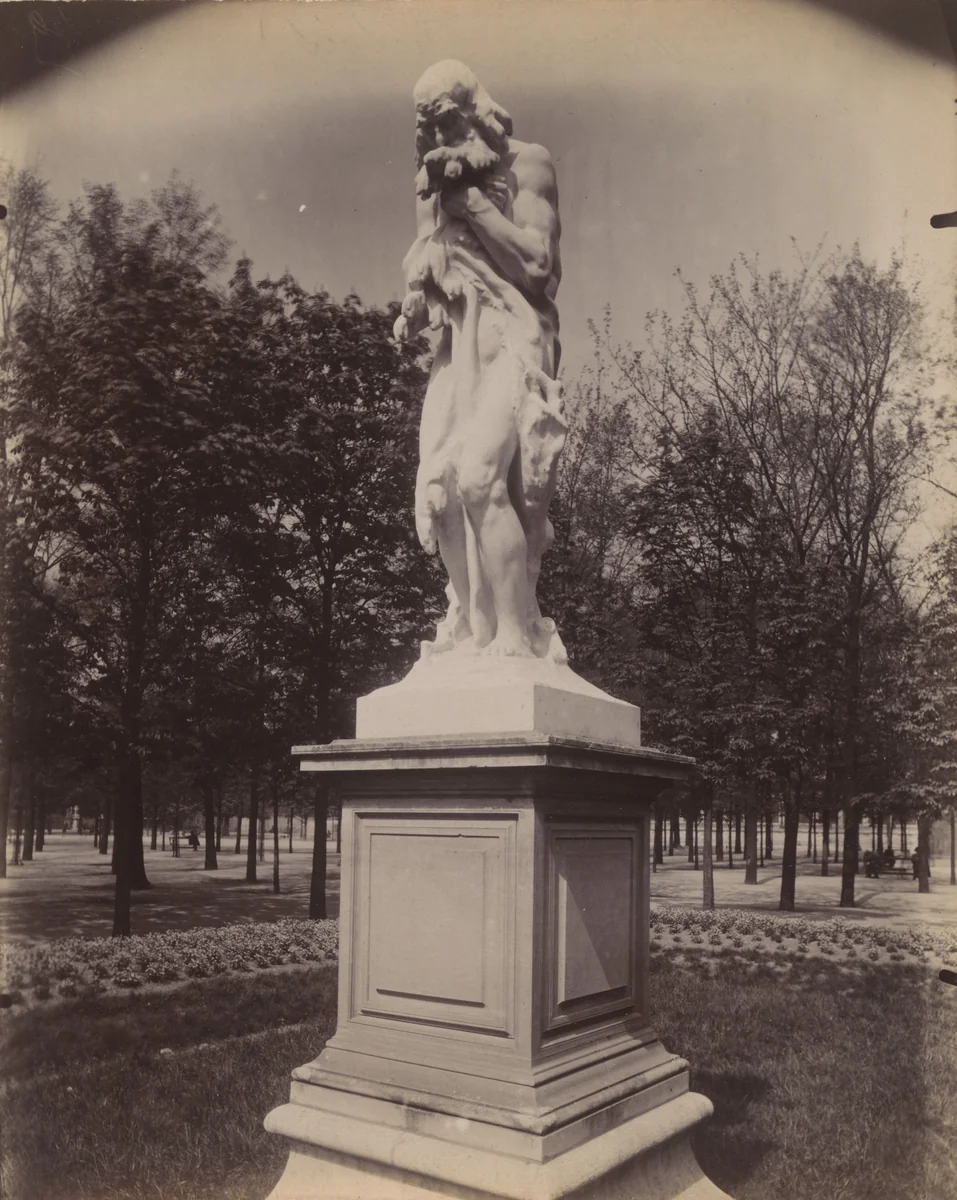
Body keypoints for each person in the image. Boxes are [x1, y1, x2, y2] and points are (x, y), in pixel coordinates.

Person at [394, 60, 567, 660]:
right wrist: (416, 304)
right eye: (429, 133)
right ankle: (475, 626)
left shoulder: (528, 164)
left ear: (476, 112)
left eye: (448, 125)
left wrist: (475, 208)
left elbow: (540, 270)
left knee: (479, 477)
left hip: (516, 338)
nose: (440, 143)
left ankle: (517, 638)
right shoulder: (432, 188)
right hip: (458, 346)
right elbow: (430, 271)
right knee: (440, 494)